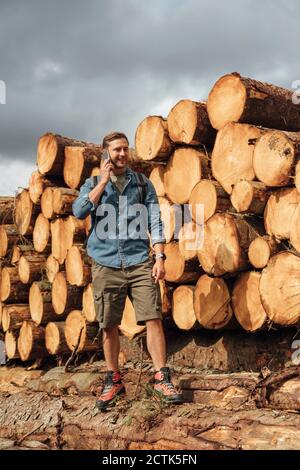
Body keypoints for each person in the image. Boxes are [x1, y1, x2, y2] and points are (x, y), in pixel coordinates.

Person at [73, 131, 182, 410]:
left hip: (139, 261)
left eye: (125, 149)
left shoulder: (143, 185)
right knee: (108, 324)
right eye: (116, 150)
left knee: (153, 317)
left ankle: (161, 377)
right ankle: (114, 380)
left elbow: (155, 222)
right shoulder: (93, 183)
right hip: (106, 263)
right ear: (106, 154)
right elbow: (79, 211)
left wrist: (159, 257)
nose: (122, 154)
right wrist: (103, 182)